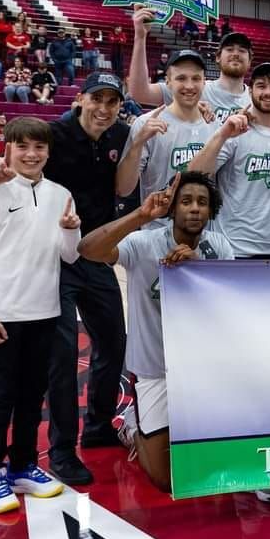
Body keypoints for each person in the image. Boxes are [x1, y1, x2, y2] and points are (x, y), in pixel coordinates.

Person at [0, 72, 132, 486]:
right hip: (56, 263)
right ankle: (62, 449)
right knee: (61, 358)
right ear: (79, 99)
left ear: (119, 106)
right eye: (95, 98)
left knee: (114, 343)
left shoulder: (120, 134)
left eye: (111, 101)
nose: (103, 108)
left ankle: (99, 426)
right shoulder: (53, 133)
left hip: (94, 254)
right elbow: (1, 167)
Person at [78, 171, 234, 493]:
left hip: (202, 369)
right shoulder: (144, 243)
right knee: (165, 480)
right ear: (172, 209)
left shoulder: (219, 246)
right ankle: (130, 425)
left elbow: (230, 304)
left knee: (215, 457)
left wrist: (198, 270)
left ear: (211, 211)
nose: (194, 209)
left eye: (202, 203)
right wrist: (140, 215)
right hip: (154, 369)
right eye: (186, 202)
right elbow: (88, 249)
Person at [0, 117, 79, 513]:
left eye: (39, 148)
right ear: (7, 149)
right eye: (23, 147)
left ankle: (23, 466)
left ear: (49, 151)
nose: (32, 155)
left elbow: (70, 255)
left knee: (32, 395)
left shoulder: (61, 194)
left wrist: (70, 230)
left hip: (45, 312)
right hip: (5, 316)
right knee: (1, 397)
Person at [189, 62, 270, 259]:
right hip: (233, 249)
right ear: (250, 92)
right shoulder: (234, 133)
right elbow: (193, 177)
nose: (268, 92)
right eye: (261, 86)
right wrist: (222, 135)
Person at [118, 50, 216, 227]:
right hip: (156, 233)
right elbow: (124, 189)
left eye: (196, 78)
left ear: (204, 82)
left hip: (201, 235)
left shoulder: (215, 126)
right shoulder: (146, 124)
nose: (189, 85)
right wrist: (138, 143)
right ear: (168, 82)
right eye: (181, 78)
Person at [129, 5, 252, 123]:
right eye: (229, 49)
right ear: (218, 57)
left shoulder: (258, 99)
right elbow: (141, 93)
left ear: (250, 60)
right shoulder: (196, 88)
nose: (236, 54)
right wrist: (140, 37)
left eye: (242, 50)